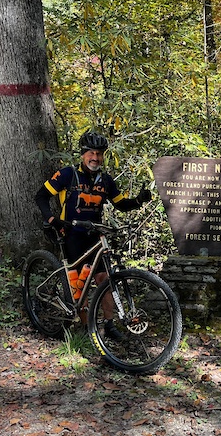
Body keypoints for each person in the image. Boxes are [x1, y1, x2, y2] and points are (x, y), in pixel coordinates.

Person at [35, 130, 151, 335]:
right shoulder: (67, 174)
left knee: (104, 280)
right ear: (83, 154)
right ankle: (86, 327)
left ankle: (109, 324)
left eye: (99, 154)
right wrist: (53, 220)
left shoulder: (105, 180)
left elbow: (121, 205)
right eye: (91, 153)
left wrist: (139, 200)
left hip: (95, 236)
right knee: (79, 282)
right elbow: (41, 196)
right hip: (71, 234)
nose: (95, 158)